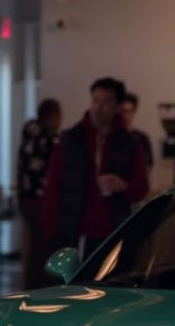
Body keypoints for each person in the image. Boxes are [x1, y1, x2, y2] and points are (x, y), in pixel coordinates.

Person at [43, 77, 150, 257]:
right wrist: (51, 232)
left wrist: (122, 185)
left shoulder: (130, 144)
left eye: (106, 102)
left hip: (113, 231)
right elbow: (53, 187)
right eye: (95, 100)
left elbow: (141, 188)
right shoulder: (70, 140)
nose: (98, 107)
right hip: (75, 231)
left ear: (117, 107)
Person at [16, 98, 62, 289]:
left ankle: (31, 284)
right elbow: (55, 170)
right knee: (40, 248)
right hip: (40, 200)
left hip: (25, 197)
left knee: (33, 247)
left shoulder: (29, 134)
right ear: (52, 117)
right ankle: (36, 288)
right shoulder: (47, 139)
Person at [120, 92, 155, 170]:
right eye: (123, 111)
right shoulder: (111, 138)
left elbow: (149, 164)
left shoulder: (142, 138)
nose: (126, 116)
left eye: (129, 111)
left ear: (134, 112)